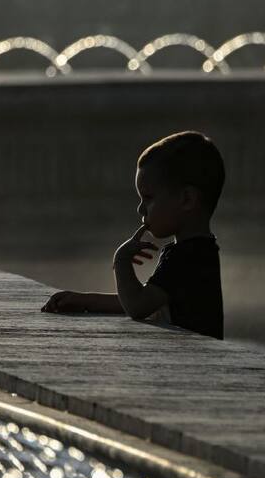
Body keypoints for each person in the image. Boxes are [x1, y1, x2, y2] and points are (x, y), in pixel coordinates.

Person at [41, 131, 225, 340]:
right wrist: (85, 301)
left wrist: (121, 261)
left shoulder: (187, 256)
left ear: (187, 199)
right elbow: (149, 299)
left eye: (148, 198)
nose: (140, 209)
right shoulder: (201, 250)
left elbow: (138, 306)